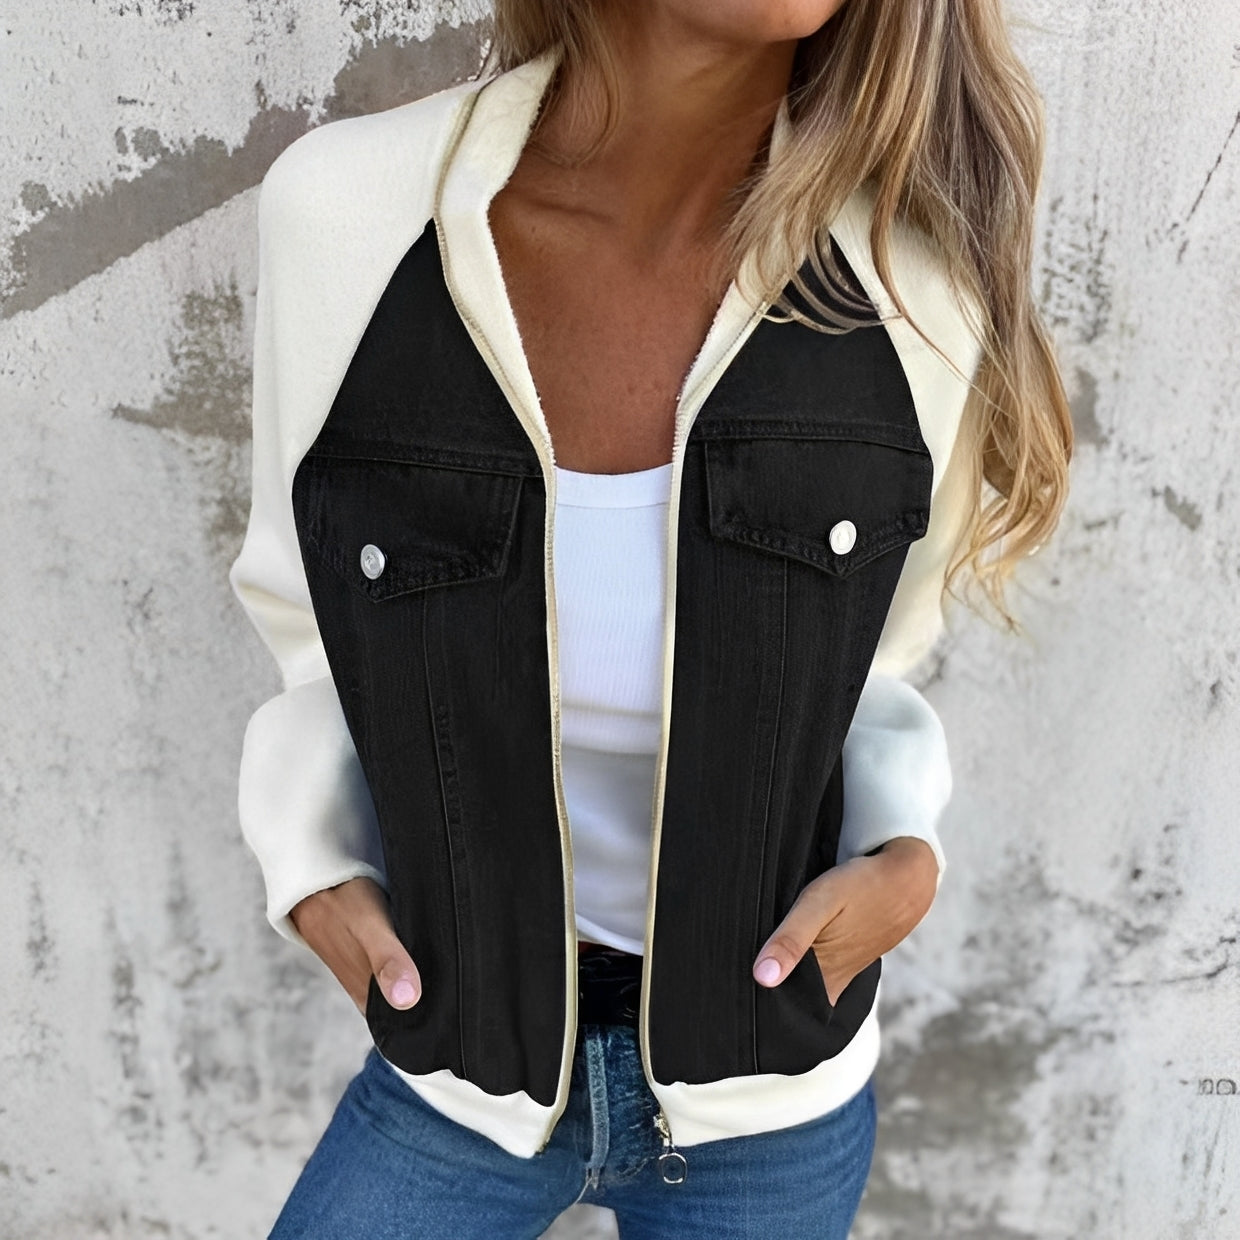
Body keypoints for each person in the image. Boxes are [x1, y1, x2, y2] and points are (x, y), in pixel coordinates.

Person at [228, 1, 1071, 1236]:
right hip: (460, 1067)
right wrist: (310, 864)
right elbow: (309, 609)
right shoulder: (349, 216)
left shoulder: (915, 284)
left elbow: (876, 659)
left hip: (768, 1090)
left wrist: (903, 850)